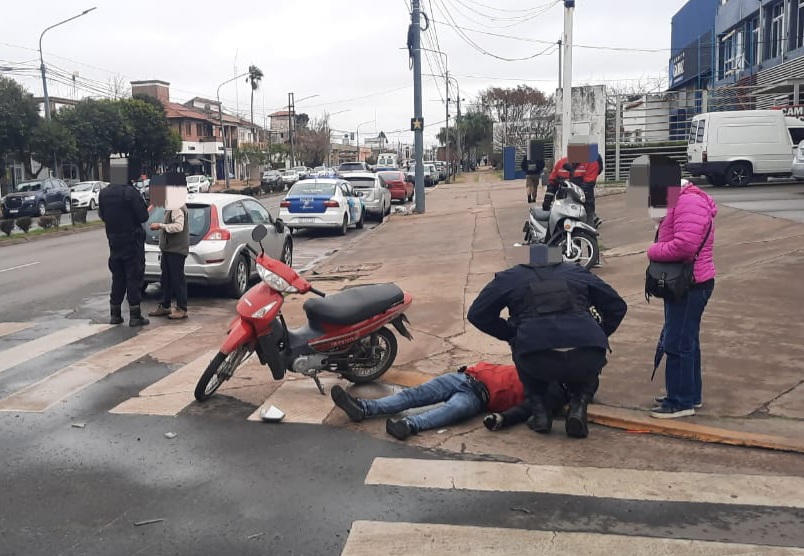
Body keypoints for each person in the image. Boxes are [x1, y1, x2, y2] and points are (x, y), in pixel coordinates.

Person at [467, 244, 627, 438]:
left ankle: (540, 411)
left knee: (524, 346)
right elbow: (617, 306)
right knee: (586, 353)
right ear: (556, 257)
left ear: (523, 259)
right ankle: (578, 405)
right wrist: (600, 334)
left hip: (537, 358)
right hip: (587, 354)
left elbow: (477, 314)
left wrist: (511, 334)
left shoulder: (509, 278)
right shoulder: (577, 272)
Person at [330, 362, 571, 440]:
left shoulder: (549, 393)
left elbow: (523, 410)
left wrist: (501, 419)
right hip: (465, 377)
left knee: (451, 410)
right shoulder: (535, 364)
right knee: (413, 395)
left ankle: (409, 426)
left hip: (478, 398)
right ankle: (363, 408)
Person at [648, 179, 717, 419]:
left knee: (676, 342)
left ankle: (679, 401)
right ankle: (689, 393)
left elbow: (685, 246)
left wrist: (652, 250)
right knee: (687, 341)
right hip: (686, 284)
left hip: (690, 284)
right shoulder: (682, 200)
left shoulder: (688, 202)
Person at [98, 181, 150, 327]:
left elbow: (102, 215)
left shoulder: (104, 193)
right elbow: (143, 216)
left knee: (118, 277)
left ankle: (115, 314)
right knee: (133, 277)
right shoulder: (130, 192)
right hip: (131, 241)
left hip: (114, 241)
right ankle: (135, 316)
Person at [148, 196, 189, 320]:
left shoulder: (177, 207)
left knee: (177, 279)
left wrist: (161, 225)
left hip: (176, 250)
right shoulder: (171, 207)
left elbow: (178, 226)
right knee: (166, 279)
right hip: (168, 249)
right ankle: (165, 306)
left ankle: (182, 308)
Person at [544, 155, 600, 226]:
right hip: (562, 204)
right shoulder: (561, 163)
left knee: (588, 230)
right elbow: (552, 183)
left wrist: (572, 176)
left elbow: (588, 185)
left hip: (584, 205)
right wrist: (547, 200)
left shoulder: (591, 163)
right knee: (555, 227)